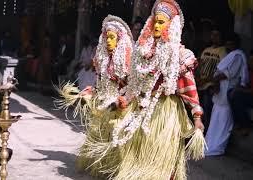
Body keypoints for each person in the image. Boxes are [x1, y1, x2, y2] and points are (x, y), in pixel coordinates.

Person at [77, 1, 205, 179]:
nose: (156, 26)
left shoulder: (182, 57)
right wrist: (123, 101)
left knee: (159, 156)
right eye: (155, 22)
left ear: (172, 26)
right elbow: (134, 87)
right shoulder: (143, 54)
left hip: (165, 115)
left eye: (161, 22)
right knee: (137, 155)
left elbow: (189, 90)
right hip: (142, 111)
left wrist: (197, 117)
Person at [57, 15, 134, 178]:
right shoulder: (103, 61)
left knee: (115, 142)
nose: (108, 41)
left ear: (120, 40)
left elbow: (131, 88)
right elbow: (99, 86)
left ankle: (116, 170)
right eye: (106, 38)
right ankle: (103, 166)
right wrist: (89, 91)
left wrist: (121, 101)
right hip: (102, 106)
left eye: (112, 38)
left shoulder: (127, 64)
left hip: (118, 109)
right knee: (99, 138)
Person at [205, 33, 249, 156]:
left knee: (223, 123)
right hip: (219, 94)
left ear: (236, 44)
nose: (228, 45)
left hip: (226, 93)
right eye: (227, 43)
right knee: (215, 121)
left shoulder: (238, 56)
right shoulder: (229, 55)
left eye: (231, 43)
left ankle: (217, 147)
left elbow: (228, 74)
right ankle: (209, 144)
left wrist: (215, 80)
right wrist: (214, 82)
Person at [228, 48, 253, 135]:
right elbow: (244, 83)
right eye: (249, 59)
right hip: (252, 95)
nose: (250, 62)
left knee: (238, 97)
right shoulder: (249, 70)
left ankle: (247, 125)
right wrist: (237, 88)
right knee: (231, 93)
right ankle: (238, 122)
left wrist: (241, 90)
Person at [195, 27, 227, 131]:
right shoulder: (206, 50)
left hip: (211, 85)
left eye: (217, 35)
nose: (214, 37)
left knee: (208, 110)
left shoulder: (224, 51)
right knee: (199, 111)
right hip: (201, 84)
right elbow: (200, 65)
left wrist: (208, 80)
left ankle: (207, 133)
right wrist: (198, 77)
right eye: (212, 35)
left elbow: (222, 70)